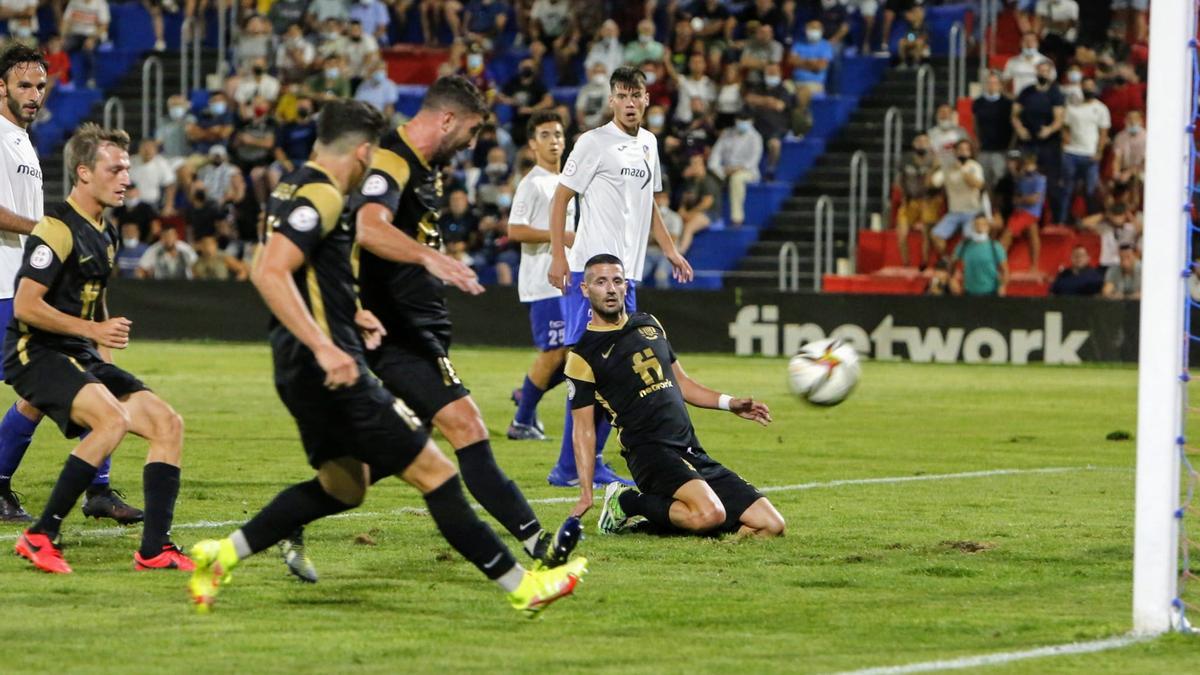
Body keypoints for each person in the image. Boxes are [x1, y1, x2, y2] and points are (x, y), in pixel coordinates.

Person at [187, 99, 587, 615]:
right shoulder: (323, 194)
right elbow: (269, 273)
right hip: (329, 368)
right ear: (361, 151)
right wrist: (326, 345)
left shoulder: (287, 187)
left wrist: (351, 310)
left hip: (296, 369)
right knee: (437, 471)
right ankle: (523, 587)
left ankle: (222, 554)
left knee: (344, 487)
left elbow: (287, 264)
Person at [283, 76, 572, 578]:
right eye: (473, 130)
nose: (473, 143)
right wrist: (429, 259)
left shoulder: (427, 169)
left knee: (378, 461)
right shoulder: (392, 159)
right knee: (467, 425)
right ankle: (536, 542)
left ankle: (290, 518)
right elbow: (370, 227)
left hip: (418, 328)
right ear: (447, 119)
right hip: (396, 334)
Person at [9, 124, 190, 574]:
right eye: (117, 169)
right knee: (112, 421)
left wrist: (102, 355)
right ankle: (39, 536)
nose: (126, 178)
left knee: (168, 424)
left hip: (79, 355)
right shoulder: (56, 228)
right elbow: (26, 305)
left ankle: (155, 549)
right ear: (84, 173)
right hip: (38, 352)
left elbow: (97, 298)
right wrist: (93, 329)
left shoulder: (104, 232)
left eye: (127, 168)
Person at [0, 45, 139, 524]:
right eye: (24, 85)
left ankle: (95, 489)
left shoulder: (20, 139)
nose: (35, 94)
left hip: (30, 277)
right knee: (67, 379)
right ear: (1, 87)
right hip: (8, 287)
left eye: (40, 85)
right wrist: (50, 230)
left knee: (60, 384)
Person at [564, 254, 785, 539]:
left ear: (626, 286)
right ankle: (625, 501)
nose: (610, 289)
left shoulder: (649, 324)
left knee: (771, 525)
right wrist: (585, 492)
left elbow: (682, 384)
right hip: (649, 453)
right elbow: (582, 430)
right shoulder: (582, 356)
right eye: (601, 282)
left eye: (617, 281)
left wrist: (730, 403)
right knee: (710, 514)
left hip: (689, 448)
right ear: (585, 289)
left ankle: (665, 526)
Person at [546, 66, 693, 487]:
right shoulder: (592, 143)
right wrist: (559, 257)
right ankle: (569, 466)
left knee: (622, 371)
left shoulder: (648, 144)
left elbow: (648, 204)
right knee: (586, 368)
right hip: (590, 275)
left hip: (626, 278)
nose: (630, 103)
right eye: (623, 96)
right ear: (612, 101)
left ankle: (582, 462)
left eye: (637, 95)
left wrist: (669, 250)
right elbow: (560, 198)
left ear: (648, 100)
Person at [506, 111, 574, 441]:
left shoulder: (566, 182)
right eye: (545, 135)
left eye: (558, 134)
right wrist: (558, 235)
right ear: (533, 144)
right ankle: (521, 421)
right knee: (554, 353)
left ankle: (529, 392)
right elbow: (515, 229)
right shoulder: (532, 183)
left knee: (577, 353)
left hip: (569, 282)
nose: (554, 141)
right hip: (543, 282)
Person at [1058, 78, 1110, 224]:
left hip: (1090, 155)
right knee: (1067, 189)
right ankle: (1063, 221)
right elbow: (1066, 127)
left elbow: (1103, 133)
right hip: (1071, 153)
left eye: (1091, 86)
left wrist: (1099, 151)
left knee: (1090, 191)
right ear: (1081, 88)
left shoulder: (1101, 109)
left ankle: (1091, 220)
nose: (1088, 89)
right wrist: (1065, 144)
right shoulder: (1072, 107)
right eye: (1086, 86)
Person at [930, 140, 986, 260]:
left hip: (972, 211)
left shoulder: (974, 166)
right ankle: (947, 260)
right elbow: (933, 183)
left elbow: (978, 185)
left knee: (969, 238)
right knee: (935, 235)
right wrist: (935, 167)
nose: (963, 152)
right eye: (960, 149)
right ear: (955, 152)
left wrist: (963, 170)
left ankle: (963, 263)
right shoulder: (948, 168)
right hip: (954, 212)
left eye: (966, 150)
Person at [708, 110, 762, 228]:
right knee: (710, 179)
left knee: (736, 179)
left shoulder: (756, 137)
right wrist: (720, 170)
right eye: (740, 120)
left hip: (747, 172)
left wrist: (737, 168)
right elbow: (714, 157)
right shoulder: (727, 134)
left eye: (745, 121)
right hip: (726, 170)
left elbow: (753, 161)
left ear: (751, 122)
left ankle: (737, 218)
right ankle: (713, 217)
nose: (742, 123)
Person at [893, 133, 940, 268]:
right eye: (919, 141)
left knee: (926, 230)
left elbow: (936, 184)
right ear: (914, 144)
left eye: (925, 141)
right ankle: (906, 263)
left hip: (928, 200)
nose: (922, 144)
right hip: (910, 200)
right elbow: (899, 181)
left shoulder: (934, 160)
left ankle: (924, 262)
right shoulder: (905, 160)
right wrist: (904, 197)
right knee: (901, 231)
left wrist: (932, 170)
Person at [1002, 153, 1044, 272]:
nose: (1028, 167)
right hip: (1021, 211)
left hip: (1030, 212)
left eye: (1031, 164)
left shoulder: (1040, 179)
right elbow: (1015, 198)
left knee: (1007, 234)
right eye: (1026, 164)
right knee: (1033, 235)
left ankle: (998, 265)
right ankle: (1033, 266)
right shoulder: (1020, 179)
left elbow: (1034, 199)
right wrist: (1022, 200)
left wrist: (1021, 200)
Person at [972, 72, 1014, 187]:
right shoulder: (978, 102)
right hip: (984, 149)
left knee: (999, 182)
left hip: (1001, 150)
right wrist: (977, 139)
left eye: (995, 83)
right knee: (983, 182)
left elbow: (1013, 125)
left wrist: (1010, 146)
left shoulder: (1008, 103)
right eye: (989, 83)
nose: (992, 85)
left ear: (1000, 85)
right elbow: (975, 123)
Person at [950, 214, 1008, 297]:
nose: (980, 228)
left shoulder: (995, 247)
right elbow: (952, 264)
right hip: (968, 293)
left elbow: (1005, 271)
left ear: (988, 227)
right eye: (977, 224)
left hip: (991, 293)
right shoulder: (964, 246)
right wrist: (952, 279)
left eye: (983, 224)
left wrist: (1002, 286)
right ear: (972, 227)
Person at [1002, 32, 1050, 97]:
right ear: (1021, 43)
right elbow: (1004, 82)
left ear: (1037, 43)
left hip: (1040, 100)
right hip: (1019, 100)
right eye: (1026, 41)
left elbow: (1051, 83)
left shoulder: (1046, 61)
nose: (1029, 44)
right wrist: (1009, 96)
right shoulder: (1012, 62)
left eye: (1032, 41)